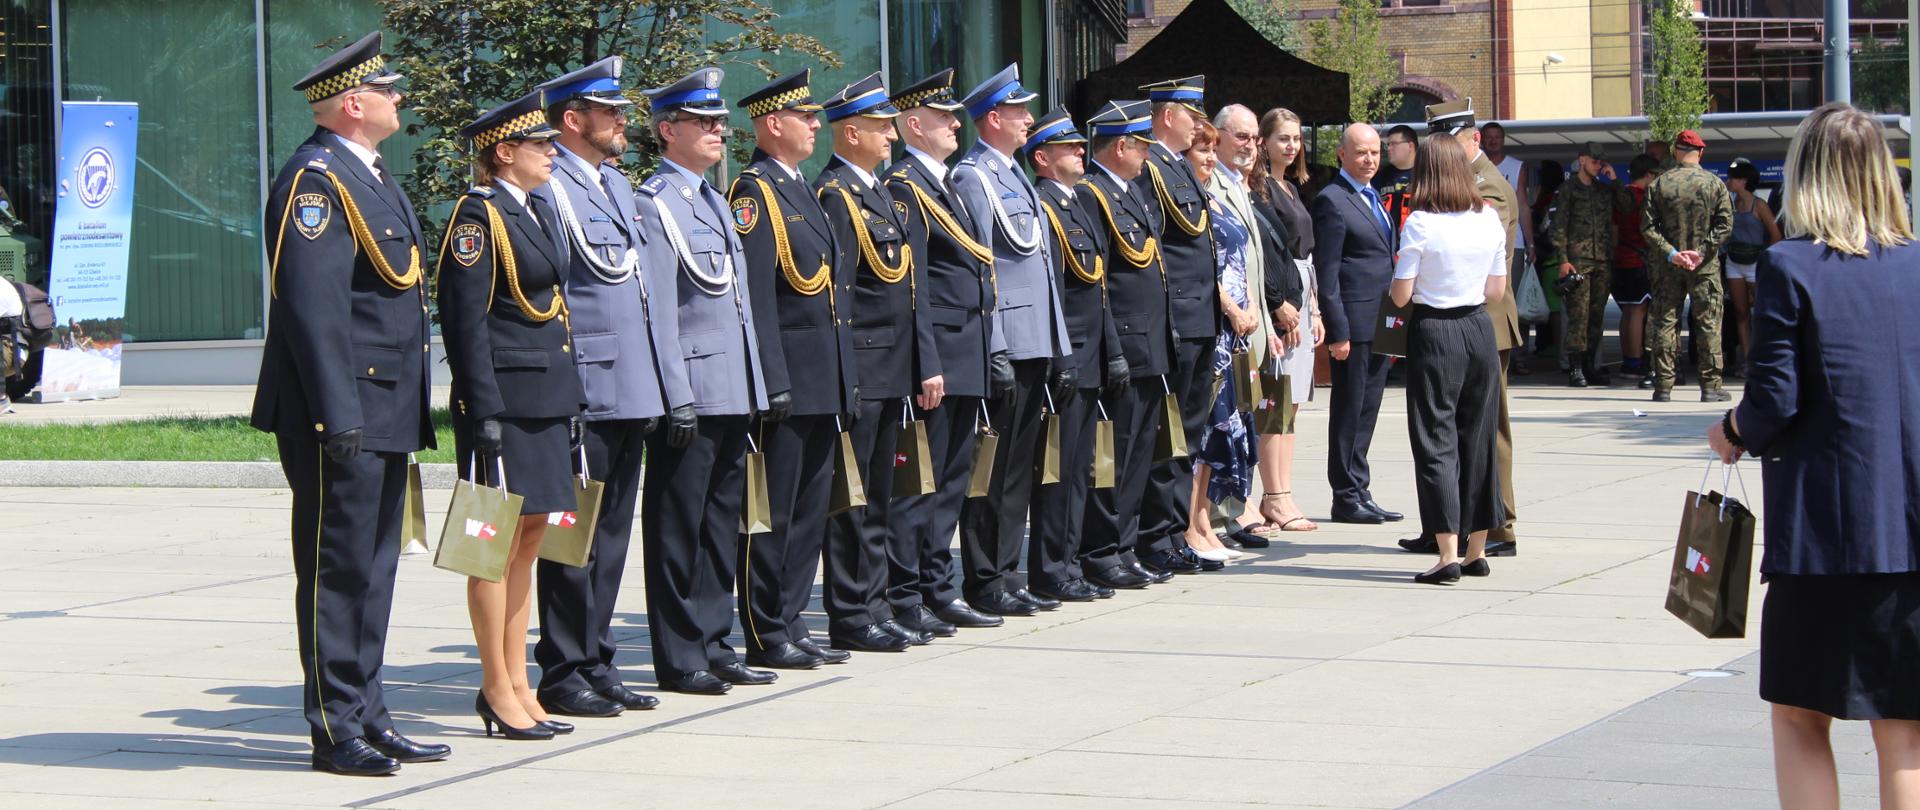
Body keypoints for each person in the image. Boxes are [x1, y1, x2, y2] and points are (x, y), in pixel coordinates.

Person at [1704, 102, 1920, 810]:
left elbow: (1774, 399)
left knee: (1800, 718)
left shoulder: (1789, 265)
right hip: (1911, 529)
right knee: (1904, 732)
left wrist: (1731, 432)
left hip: (1823, 537)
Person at [252, 32, 445, 776]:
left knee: (375, 570)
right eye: (389, 89)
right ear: (354, 103)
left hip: (385, 404)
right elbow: (312, 308)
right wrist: (338, 414)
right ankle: (335, 728)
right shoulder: (314, 179)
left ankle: (369, 712)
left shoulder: (368, 175)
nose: (400, 99)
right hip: (345, 411)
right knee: (339, 572)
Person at [529, 56, 676, 719]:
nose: (623, 122)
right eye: (611, 111)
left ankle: (596, 658)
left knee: (611, 535)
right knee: (571, 539)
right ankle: (562, 669)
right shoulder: (551, 186)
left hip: (631, 383)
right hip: (587, 384)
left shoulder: (616, 185)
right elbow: (550, 291)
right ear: (573, 119)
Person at [438, 90, 586, 741]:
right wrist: (483, 411)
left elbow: (555, 306)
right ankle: (495, 687)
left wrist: (572, 399)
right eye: (541, 144)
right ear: (505, 152)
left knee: (529, 543)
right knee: (489, 549)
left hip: (545, 400)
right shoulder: (478, 218)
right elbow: (464, 323)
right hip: (502, 405)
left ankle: (521, 681)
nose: (553, 153)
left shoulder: (534, 208)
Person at [633, 67, 772, 696]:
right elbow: (660, 309)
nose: (720, 130)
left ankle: (718, 641)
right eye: (703, 121)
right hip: (691, 389)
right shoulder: (654, 201)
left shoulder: (713, 200)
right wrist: (673, 395)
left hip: (730, 387)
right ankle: (681, 652)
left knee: (721, 523)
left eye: (720, 120)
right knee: (679, 525)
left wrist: (755, 388)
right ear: (669, 130)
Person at [726, 68, 858, 670]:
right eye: (805, 116)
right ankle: (764, 628)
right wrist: (770, 379)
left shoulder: (800, 187)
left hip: (821, 379)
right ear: (772, 124)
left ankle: (792, 618)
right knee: (772, 513)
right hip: (788, 381)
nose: (815, 124)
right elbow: (756, 297)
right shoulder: (754, 192)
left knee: (808, 512)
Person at [813, 73, 947, 653]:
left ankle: (877, 602)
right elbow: (838, 297)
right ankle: (851, 612)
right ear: (851, 133)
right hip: (863, 368)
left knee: (882, 496)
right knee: (853, 501)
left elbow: (908, 289)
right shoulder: (836, 196)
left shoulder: (878, 194)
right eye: (879, 127)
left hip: (891, 368)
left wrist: (921, 363)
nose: (891, 136)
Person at [883, 69, 1013, 625]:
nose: (953, 124)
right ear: (913, 124)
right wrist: (927, 362)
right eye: (940, 118)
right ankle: (908, 593)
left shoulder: (945, 185)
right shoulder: (906, 187)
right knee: (920, 485)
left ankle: (939, 587)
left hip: (967, 348)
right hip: (939, 354)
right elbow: (913, 286)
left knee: (952, 482)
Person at [952, 65, 1079, 603]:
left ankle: (1007, 574)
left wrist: (1059, 345)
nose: (1030, 119)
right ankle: (987, 578)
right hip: (1008, 341)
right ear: (994, 118)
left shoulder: (1013, 174)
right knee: (995, 470)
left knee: (1019, 471)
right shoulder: (973, 176)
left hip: (1036, 340)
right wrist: (997, 344)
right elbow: (987, 269)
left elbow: (1042, 268)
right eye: (1020, 111)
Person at [1399, 97, 1521, 558]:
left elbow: (1490, 271)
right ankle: (1448, 527)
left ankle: (1495, 525)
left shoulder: (1484, 189)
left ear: (1463, 138)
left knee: (1483, 433)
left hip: (1474, 320)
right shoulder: (1472, 186)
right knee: (1454, 432)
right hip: (1472, 321)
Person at [1026, 108, 1138, 594]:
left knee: (1082, 469)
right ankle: (1053, 569)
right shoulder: (1046, 205)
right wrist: (1064, 359)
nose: (1079, 151)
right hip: (1067, 359)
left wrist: (1111, 351)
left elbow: (1099, 290)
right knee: (1059, 472)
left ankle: (1070, 563)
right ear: (1043, 158)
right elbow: (1051, 293)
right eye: (1068, 147)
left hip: (1091, 355)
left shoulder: (1074, 204)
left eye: (1078, 144)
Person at [1077, 99, 1178, 590]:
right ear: (1122, 146)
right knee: (1111, 457)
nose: (1146, 155)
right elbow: (1097, 282)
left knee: (1139, 454)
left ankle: (1124, 544)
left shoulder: (1131, 191)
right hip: (1124, 345)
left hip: (1151, 343)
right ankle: (1101, 550)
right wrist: (1113, 347)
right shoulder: (1093, 194)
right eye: (1141, 145)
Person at [1134, 75, 1219, 575]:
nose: (1197, 125)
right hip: (1179, 318)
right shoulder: (1153, 168)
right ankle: (1156, 536)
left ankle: (1171, 531)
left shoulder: (1176, 168)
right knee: (1170, 437)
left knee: (1185, 434)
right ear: (1168, 116)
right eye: (1190, 115)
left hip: (1199, 316)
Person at [1312, 123, 1400, 527]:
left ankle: (1360, 488)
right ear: (1342, 156)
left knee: (1369, 409)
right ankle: (1345, 494)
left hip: (1382, 320)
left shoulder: (1375, 198)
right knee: (1350, 409)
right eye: (1361, 153)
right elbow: (1327, 276)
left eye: (1375, 153)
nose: (1370, 160)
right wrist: (1339, 331)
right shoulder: (1333, 200)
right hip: (1355, 324)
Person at [1202, 103, 1279, 550]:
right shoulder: (1211, 182)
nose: (1250, 145)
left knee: (1245, 419)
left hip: (1250, 325)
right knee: (1224, 421)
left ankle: (1233, 509)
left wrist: (1265, 322)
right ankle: (1217, 513)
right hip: (1226, 325)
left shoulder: (1240, 184)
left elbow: (1252, 265)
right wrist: (1235, 311)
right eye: (1241, 136)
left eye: (1254, 137)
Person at [1182, 120, 1257, 563]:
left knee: (1219, 429)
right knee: (1204, 428)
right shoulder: (1185, 199)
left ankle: (1204, 518)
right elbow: (1200, 268)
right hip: (1215, 322)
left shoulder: (1213, 196)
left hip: (1232, 333)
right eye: (1202, 150)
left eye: (1213, 150)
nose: (1210, 157)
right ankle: (1190, 525)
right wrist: (1231, 307)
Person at [1246, 107, 1320, 536]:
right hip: (1281, 294)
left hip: (1302, 291)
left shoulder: (1290, 187)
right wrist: (1280, 303)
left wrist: (1314, 307)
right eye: (1282, 139)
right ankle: (1274, 495)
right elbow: (1269, 254)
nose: (1291, 146)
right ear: (1264, 143)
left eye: (1295, 139)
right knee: (1275, 399)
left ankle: (1280, 491)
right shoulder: (1260, 189)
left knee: (1291, 404)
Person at [1641, 129, 1733, 404]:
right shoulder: (1715, 184)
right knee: (1708, 323)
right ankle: (1710, 386)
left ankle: (1664, 386)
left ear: (1675, 152)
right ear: (1701, 152)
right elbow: (1725, 224)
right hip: (1703, 267)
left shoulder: (1659, 184)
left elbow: (1647, 227)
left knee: (1666, 323)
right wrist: (1702, 251)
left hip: (1668, 267)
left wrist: (1672, 253)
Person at [1547, 142, 1629, 388]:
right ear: (1582, 160)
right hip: (1578, 261)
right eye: (1595, 161)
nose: (1598, 166)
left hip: (1602, 259)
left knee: (1596, 316)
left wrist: (1614, 181)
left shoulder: (1604, 191)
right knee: (1578, 316)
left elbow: (1627, 207)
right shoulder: (1567, 190)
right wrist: (1563, 260)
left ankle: (1591, 365)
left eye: (1601, 162)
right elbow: (1558, 226)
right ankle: (1576, 367)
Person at [1721, 158, 1781, 367]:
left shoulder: (1760, 205)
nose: (1728, 181)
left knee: (1763, 310)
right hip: (1734, 262)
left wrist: (1764, 257)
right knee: (1741, 312)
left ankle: (1767, 356)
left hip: (1755, 263)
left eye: (1733, 178)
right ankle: (1748, 359)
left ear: (1744, 181)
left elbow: (1775, 235)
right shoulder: (1729, 203)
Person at [1612, 154, 1659, 384]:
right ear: (1649, 174)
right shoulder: (1642, 198)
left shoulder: (1619, 195)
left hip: (1619, 258)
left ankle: (1627, 360)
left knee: (1628, 312)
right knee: (1638, 312)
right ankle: (1635, 361)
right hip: (1638, 260)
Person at [1373, 124, 1417, 227]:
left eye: (1394, 144)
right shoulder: (1380, 177)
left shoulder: (1426, 176)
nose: (1389, 149)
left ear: (1410, 146)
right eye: (1388, 144)